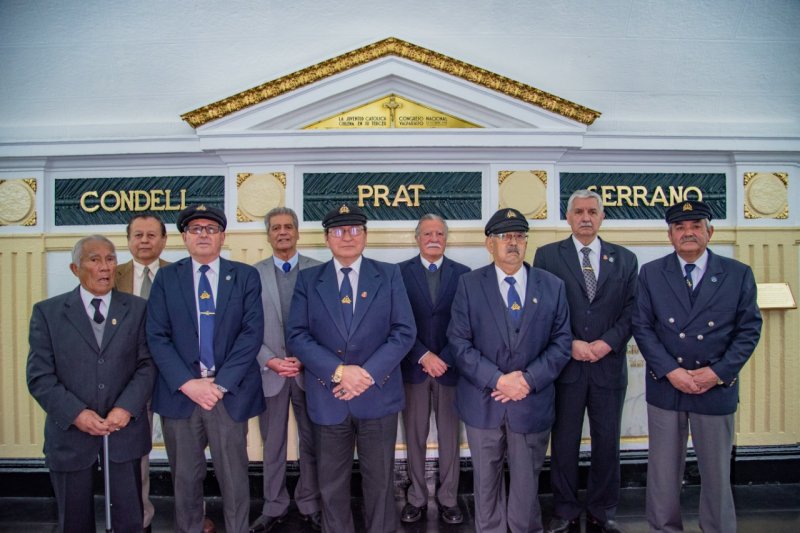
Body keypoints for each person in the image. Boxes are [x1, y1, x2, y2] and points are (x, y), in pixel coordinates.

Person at [633, 200, 762, 533]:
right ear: (670, 235)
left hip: (715, 386)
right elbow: (642, 327)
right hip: (667, 386)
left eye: (695, 226)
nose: (687, 233)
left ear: (710, 231)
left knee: (717, 473)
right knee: (662, 474)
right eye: (680, 227)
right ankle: (664, 529)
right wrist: (671, 371)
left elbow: (749, 330)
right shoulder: (651, 273)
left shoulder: (737, 274)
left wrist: (717, 372)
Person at [287, 203, 416, 533]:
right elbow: (298, 336)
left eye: (355, 230)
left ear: (366, 236)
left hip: (378, 396)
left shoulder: (388, 275)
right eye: (339, 231)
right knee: (331, 485)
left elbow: (404, 331)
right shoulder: (308, 279)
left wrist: (367, 374)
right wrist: (340, 372)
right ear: (327, 238)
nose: (347, 237)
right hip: (329, 397)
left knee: (381, 484)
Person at [448, 207, 572, 532]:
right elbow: (458, 343)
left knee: (526, 488)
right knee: (485, 486)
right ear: (490, 244)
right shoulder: (469, 284)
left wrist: (528, 381)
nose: (512, 243)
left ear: (526, 241)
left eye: (519, 236)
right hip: (483, 403)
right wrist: (498, 380)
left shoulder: (553, 286)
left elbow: (561, 343)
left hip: (531, 402)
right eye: (505, 236)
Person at [146, 204, 265, 533]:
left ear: (222, 236)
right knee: (185, 479)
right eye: (195, 229)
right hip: (182, 397)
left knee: (235, 477)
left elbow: (251, 334)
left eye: (210, 229)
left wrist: (219, 384)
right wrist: (188, 383)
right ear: (184, 237)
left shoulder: (244, 276)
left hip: (227, 396)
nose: (203, 235)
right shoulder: (167, 278)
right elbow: (157, 335)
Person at [27, 235, 155, 533]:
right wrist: (76, 414)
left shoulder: (137, 310)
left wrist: (126, 408)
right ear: (75, 269)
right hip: (70, 436)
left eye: (110, 259)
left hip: (124, 433)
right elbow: (39, 376)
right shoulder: (48, 313)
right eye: (94, 259)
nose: (104, 267)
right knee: (73, 521)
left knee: (129, 520)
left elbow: (147, 365)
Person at [533, 190, 637, 533]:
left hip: (608, 366)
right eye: (579, 211)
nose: (586, 217)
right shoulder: (548, 256)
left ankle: (601, 508)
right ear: (568, 217)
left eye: (592, 211)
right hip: (566, 366)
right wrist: (570, 343)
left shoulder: (625, 259)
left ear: (602, 216)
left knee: (607, 442)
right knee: (564, 441)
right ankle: (564, 508)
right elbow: (542, 309)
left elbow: (631, 310)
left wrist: (608, 343)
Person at [250, 207, 322, 532]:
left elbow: (325, 324)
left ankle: (310, 502)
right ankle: (274, 505)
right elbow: (245, 327)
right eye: (275, 227)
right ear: (268, 234)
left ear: (297, 232)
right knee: (273, 444)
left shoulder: (318, 271)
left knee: (312, 443)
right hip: (271, 373)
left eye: (288, 227)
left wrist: (306, 357)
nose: (282, 232)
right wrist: (269, 359)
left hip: (310, 374)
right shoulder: (252, 275)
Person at [398, 214, 470, 525]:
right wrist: (423, 355)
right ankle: (415, 497)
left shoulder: (464, 275)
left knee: (450, 438)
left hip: (450, 369)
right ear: (417, 238)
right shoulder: (398, 274)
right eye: (427, 233)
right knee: (414, 435)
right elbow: (396, 322)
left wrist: (445, 357)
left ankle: (449, 499)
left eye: (440, 233)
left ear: (446, 238)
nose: (434, 238)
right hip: (414, 369)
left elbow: (468, 325)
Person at [115, 213, 169, 533]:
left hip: (173, 377)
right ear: (129, 240)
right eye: (138, 235)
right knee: (137, 455)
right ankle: (140, 518)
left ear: (163, 241)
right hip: (131, 379)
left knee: (187, 453)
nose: (144, 241)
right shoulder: (111, 274)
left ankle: (194, 512)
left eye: (151, 235)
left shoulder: (177, 274)